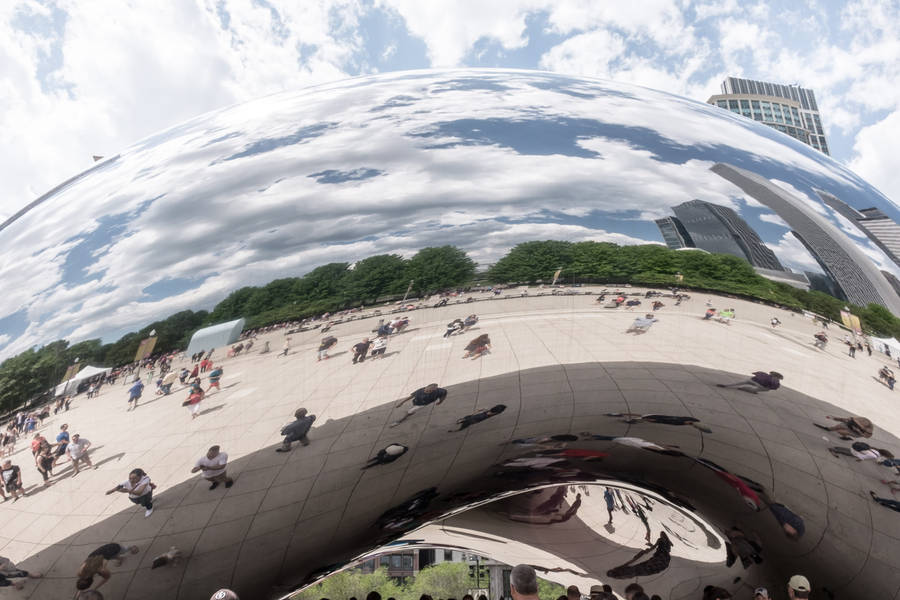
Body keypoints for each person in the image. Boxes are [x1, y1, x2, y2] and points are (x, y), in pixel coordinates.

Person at [716, 371, 783, 394]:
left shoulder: (764, 374)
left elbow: (755, 374)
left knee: (742, 382)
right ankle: (747, 389)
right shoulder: (775, 381)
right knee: (765, 389)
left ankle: (727, 385)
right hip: (759, 385)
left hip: (752, 380)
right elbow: (773, 387)